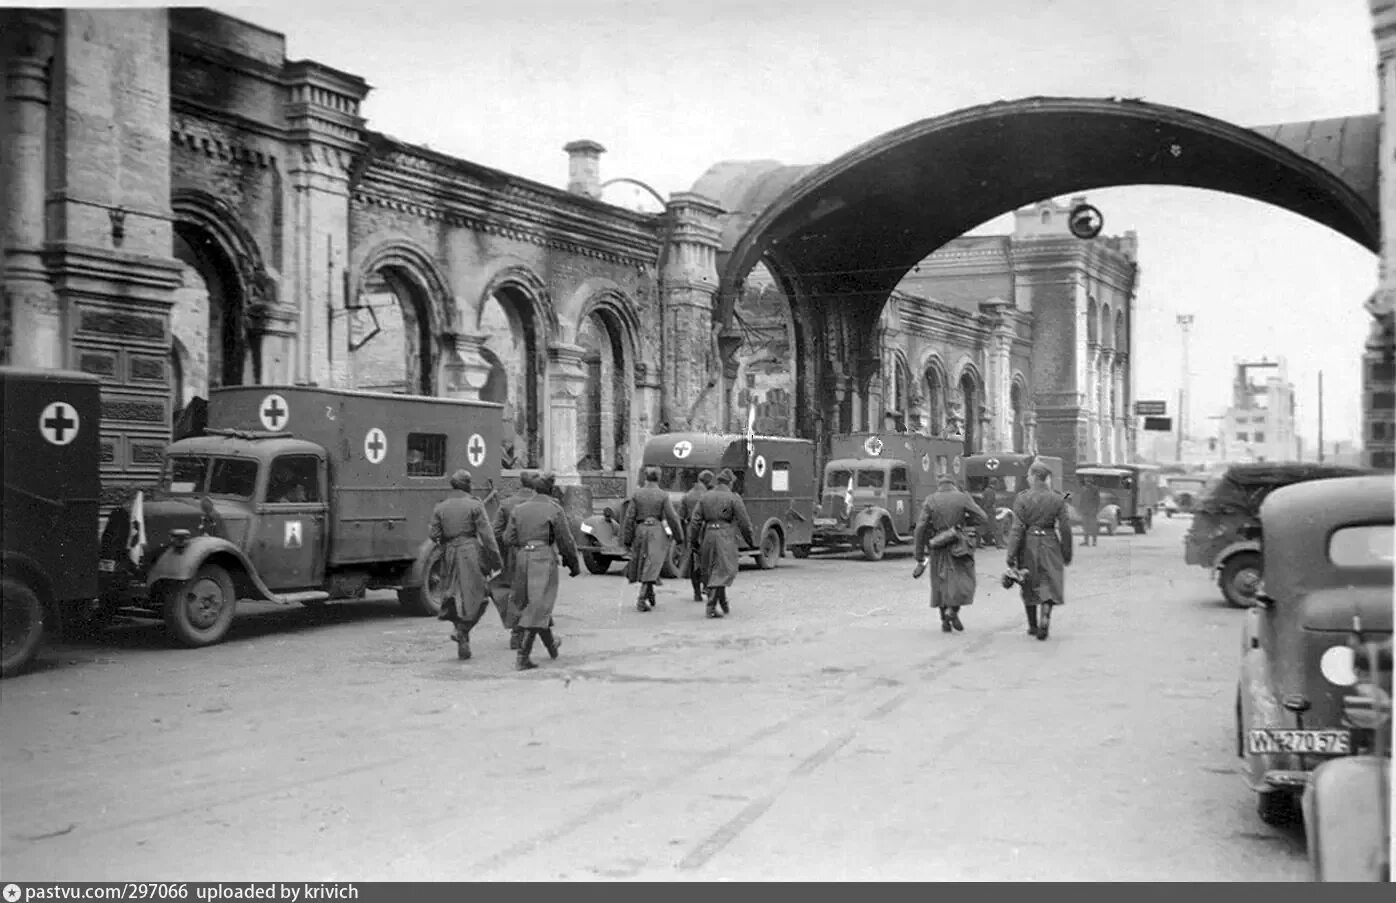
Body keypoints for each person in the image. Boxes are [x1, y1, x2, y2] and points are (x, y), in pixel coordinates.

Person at [502, 472, 581, 670]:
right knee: (540, 605)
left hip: (522, 559)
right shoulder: (554, 509)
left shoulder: (519, 509)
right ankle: (523, 656)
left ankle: (552, 646)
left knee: (535, 605)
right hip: (543, 559)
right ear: (551, 489)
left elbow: (507, 538)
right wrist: (573, 565)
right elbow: (566, 540)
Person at [429, 469, 503, 661]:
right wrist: (496, 560)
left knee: (453, 597)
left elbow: (433, 535)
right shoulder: (475, 505)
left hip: (449, 553)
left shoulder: (441, 506)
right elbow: (487, 536)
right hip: (470, 552)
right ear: (467, 485)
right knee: (480, 596)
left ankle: (463, 640)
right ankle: (462, 630)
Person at [1006, 460, 1074, 640]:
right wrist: (1066, 553)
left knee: (1028, 582)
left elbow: (1017, 529)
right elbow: (1065, 528)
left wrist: (1011, 555)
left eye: (1029, 475)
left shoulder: (1022, 498)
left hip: (1029, 544)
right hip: (1051, 542)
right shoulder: (1057, 498)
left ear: (1035, 477)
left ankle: (1033, 626)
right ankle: (1045, 616)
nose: (1027, 478)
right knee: (1049, 582)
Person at [912, 475, 989, 633]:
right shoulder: (963, 498)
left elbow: (920, 527)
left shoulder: (930, 500)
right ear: (953, 484)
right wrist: (968, 527)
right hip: (958, 544)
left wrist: (919, 554)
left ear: (939, 485)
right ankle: (952, 611)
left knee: (940, 583)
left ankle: (944, 621)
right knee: (963, 581)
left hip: (937, 544)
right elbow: (983, 517)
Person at [688, 468, 754, 619]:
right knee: (725, 569)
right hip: (725, 536)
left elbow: (695, 521)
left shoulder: (705, 497)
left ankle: (723, 603)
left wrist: (694, 540)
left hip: (709, 535)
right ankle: (711, 606)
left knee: (714, 569)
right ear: (730, 482)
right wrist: (750, 541)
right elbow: (744, 522)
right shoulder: (734, 498)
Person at [622, 467, 685, 612]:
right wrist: (679, 537)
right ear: (659, 478)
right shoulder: (662, 495)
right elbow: (672, 517)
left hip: (640, 530)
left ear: (646, 478)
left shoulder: (637, 494)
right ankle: (641, 599)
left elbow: (629, 517)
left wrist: (627, 539)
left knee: (645, 562)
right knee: (653, 562)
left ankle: (650, 593)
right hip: (656, 530)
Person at [493, 471, 539, 650]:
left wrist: (505, 550)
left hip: (514, 555)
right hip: (539, 554)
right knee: (537, 592)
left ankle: (516, 632)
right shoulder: (546, 504)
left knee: (516, 592)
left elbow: (496, 532)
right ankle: (534, 632)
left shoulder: (506, 504)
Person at [679, 469, 715, 601]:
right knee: (708, 560)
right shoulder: (709, 495)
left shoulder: (687, 495)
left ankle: (696, 593)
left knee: (694, 563)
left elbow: (681, 517)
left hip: (691, 530)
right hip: (706, 530)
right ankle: (707, 587)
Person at [1077, 476, 1101, 547]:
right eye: (1086, 481)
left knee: (1093, 527)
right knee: (1085, 527)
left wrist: (1095, 510)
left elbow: (1097, 500)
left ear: (1091, 482)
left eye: (1089, 481)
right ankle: (1086, 541)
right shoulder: (1083, 489)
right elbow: (1081, 500)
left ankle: (1094, 542)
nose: (1087, 483)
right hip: (1085, 511)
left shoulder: (1095, 489)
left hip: (1092, 511)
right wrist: (1080, 509)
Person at [979, 479, 999, 548]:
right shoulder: (992, 491)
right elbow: (989, 501)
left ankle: (987, 542)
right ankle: (998, 544)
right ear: (995, 484)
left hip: (984, 511)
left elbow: (982, 501)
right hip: (989, 512)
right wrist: (990, 508)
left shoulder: (985, 490)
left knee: (984, 527)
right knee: (994, 527)